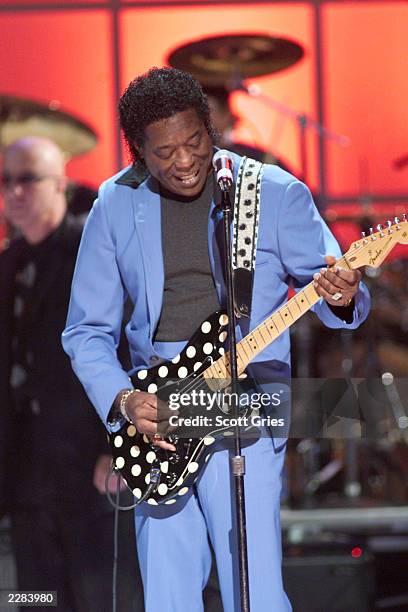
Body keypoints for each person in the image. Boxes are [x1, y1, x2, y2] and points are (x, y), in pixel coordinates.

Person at [62, 67, 371, 612]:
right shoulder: (114, 204)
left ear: (212, 127)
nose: (183, 161)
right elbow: (86, 330)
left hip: (246, 409)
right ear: (137, 152)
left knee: (253, 591)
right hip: (160, 414)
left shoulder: (272, 193)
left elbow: (337, 295)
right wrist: (125, 399)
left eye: (194, 141)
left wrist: (343, 293)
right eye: (164, 152)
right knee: (168, 593)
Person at [0, 137, 143, 611]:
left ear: (61, 182)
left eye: (28, 179)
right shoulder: (10, 263)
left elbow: (128, 348)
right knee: (35, 598)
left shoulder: (90, 248)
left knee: (101, 597)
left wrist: (117, 446)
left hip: (89, 468)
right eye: (6, 181)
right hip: (26, 475)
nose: (15, 192)